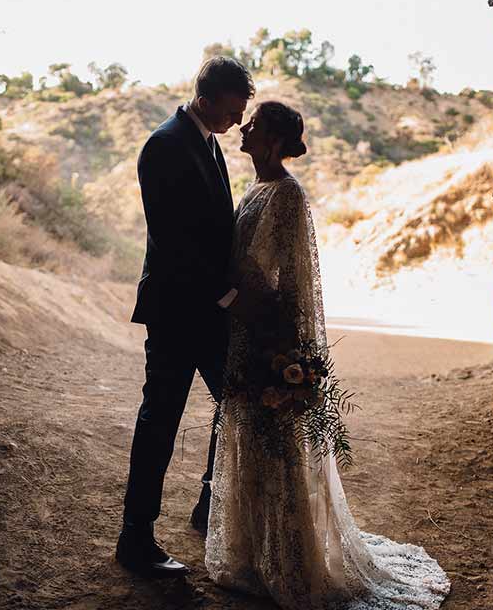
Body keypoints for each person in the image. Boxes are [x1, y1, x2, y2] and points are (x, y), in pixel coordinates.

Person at [204, 101, 451, 609]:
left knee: (277, 445)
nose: (244, 128)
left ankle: (293, 560)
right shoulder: (258, 188)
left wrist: (273, 341)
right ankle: (254, 552)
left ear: (271, 139)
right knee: (252, 441)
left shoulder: (288, 196)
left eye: (255, 124)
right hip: (244, 331)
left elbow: (280, 277)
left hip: (265, 334)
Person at [115, 56, 253, 578]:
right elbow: (174, 241)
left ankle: (208, 504)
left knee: (237, 404)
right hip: (176, 312)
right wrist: (227, 296)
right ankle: (135, 538)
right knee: (160, 421)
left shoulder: (208, 143)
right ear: (209, 96)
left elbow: (215, 231)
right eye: (235, 109)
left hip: (207, 314)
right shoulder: (165, 144)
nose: (239, 121)